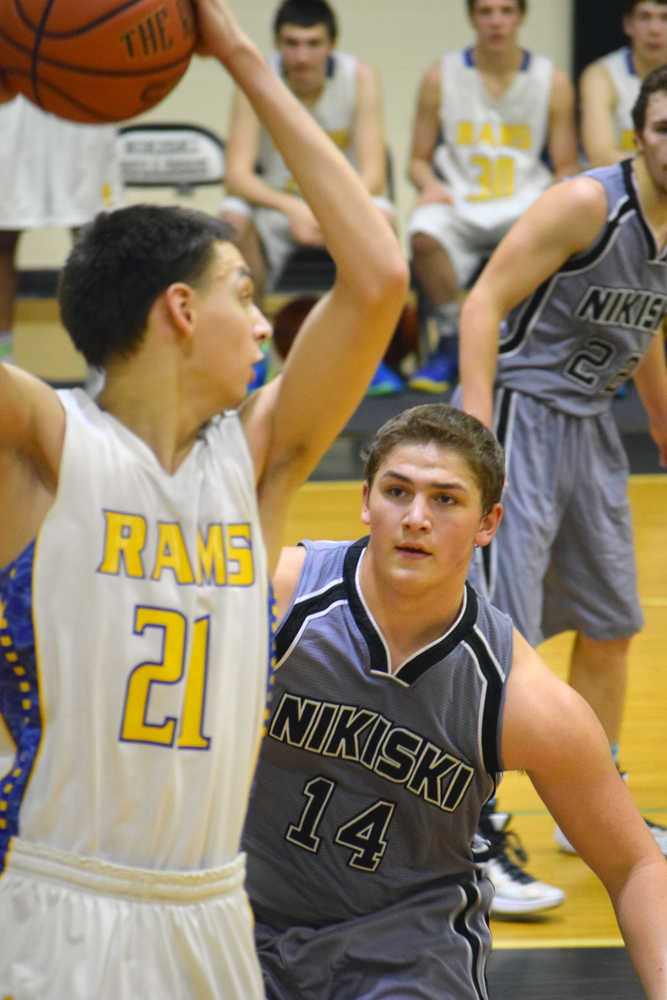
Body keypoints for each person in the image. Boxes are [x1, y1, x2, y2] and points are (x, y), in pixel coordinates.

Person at [0, 0, 408, 995]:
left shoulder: (258, 459)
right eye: (241, 294)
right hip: (53, 900)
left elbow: (379, 273)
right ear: (179, 308)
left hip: (213, 906)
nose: (266, 326)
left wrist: (238, 58)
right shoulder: (45, 445)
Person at [240, 402, 667, 1000]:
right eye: (397, 491)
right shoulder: (278, 602)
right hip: (239, 925)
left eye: (445, 499)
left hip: (405, 955)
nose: (416, 517)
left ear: (488, 523)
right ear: (366, 501)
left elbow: (637, 866)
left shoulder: (519, 695)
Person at [456, 63, 667, 896]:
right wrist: (475, 436)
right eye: (662, 126)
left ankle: (593, 809)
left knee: (611, 623)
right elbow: (481, 303)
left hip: (590, 427)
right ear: (639, 132)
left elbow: (647, 321)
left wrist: (659, 419)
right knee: (498, 631)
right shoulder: (587, 203)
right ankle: (471, 830)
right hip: (519, 412)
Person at [220, 0, 402, 394]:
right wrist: (292, 208)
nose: (302, 55)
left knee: (383, 216)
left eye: (312, 43)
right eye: (292, 43)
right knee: (232, 217)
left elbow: (373, 175)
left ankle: (370, 356)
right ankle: (255, 350)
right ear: (277, 43)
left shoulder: (360, 77)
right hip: (277, 208)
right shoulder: (256, 77)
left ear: (331, 45)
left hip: (339, 205)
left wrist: (327, 211)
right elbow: (236, 176)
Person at [405, 0, 579, 393]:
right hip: (458, 200)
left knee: (559, 231)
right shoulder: (440, 76)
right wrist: (430, 185)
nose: (496, 22)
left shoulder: (551, 80)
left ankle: (525, 342)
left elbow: (566, 165)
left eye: (505, 11)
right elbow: (417, 160)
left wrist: (556, 199)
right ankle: (451, 339)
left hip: (523, 199)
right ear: (472, 18)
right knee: (423, 233)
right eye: (486, 11)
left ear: (521, 17)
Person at [0, 95, 122, 366]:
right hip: (8, 77)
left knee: (95, 239)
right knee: (1, 236)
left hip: (80, 80)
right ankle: (3, 366)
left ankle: (102, 366)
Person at [579, 0, 667, 167]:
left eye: (665, 18)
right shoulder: (601, 75)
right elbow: (601, 155)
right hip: (617, 183)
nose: (654, 30)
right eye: (644, 17)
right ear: (628, 24)